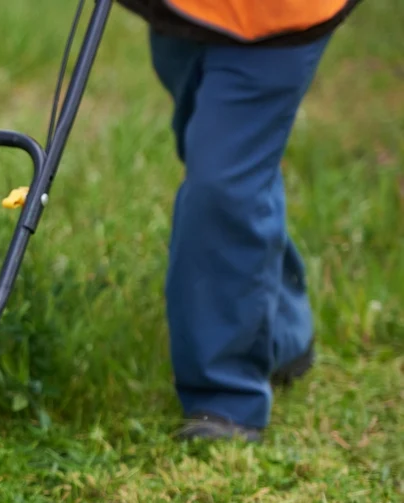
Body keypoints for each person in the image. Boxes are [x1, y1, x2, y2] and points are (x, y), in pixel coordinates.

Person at [114, 0, 362, 442]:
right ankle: (282, 334)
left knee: (223, 183)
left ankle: (226, 397)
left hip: (276, 16)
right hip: (185, 15)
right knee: (228, 160)